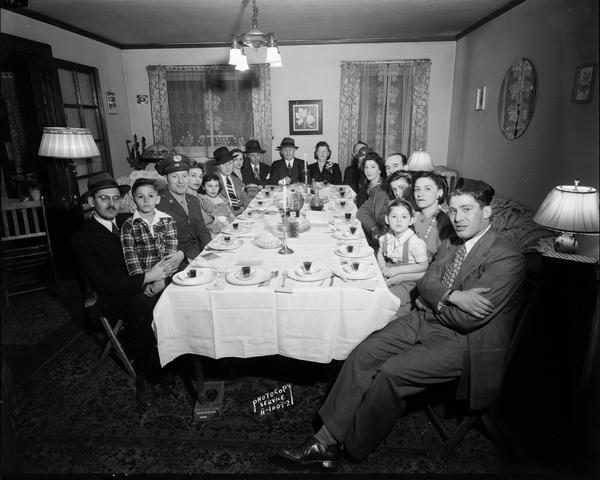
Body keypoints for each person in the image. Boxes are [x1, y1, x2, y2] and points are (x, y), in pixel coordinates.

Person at [276, 179, 526, 467]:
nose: (458, 218)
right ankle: (325, 439)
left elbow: (467, 320)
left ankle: (348, 447)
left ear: (487, 212)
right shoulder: (452, 240)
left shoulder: (507, 258)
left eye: (467, 210)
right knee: (365, 352)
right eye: (454, 211)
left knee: (391, 372)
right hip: (426, 318)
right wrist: (451, 296)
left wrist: (431, 300)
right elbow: (427, 279)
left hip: (465, 344)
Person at [71, 172, 179, 408]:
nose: (111, 204)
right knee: (147, 305)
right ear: (91, 202)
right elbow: (102, 284)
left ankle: (177, 358)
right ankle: (148, 374)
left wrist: (175, 258)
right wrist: (148, 278)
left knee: (179, 294)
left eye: (115, 198)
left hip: (145, 281)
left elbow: (161, 242)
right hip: (111, 296)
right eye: (103, 198)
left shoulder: (127, 221)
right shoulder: (83, 237)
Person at [120, 178, 184, 297]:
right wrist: (144, 282)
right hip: (145, 279)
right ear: (133, 200)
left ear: (158, 198)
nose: (146, 200)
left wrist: (161, 280)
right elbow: (131, 259)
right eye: (140, 197)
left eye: (150, 196)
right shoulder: (128, 226)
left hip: (169, 274)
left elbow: (170, 252)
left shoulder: (167, 220)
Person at [156, 152, 212, 265]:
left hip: (199, 255)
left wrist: (211, 253)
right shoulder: (159, 204)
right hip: (178, 262)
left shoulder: (193, 200)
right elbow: (161, 245)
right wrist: (187, 257)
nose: (181, 181)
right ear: (166, 179)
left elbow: (202, 231)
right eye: (175, 176)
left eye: (184, 176)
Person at [377, 198, 428, 314]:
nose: (398, 220)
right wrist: (382, 267)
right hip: (390, 275)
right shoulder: (387, 237)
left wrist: (397, 270)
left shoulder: (415, 243)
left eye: (404, 217)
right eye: (394, 217)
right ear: (387, 219)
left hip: (409, 282)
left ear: (411, 220)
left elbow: (424, 266)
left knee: (384, 299)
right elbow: (380, 253)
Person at [357, 170, 414, 246]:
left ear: (410, 186)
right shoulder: (380, 193)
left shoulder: (415, 205)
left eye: (401, 187)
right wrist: (374, 228)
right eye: (394, 189)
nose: (397, 193)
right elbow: (361, 212)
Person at [412, 171, 456, 261]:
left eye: (427, 189)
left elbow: (442, 264)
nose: (420, 194)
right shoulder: (410, 215)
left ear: (439, 193)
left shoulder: (446, 223)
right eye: (417, 189)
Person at [198, 173, 236, 237]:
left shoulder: (221, 198)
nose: (213, 189)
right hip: (216, 231)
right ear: (203, 187)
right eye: (210, 186)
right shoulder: (203, 200)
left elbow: (231, 214)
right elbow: (208, 222)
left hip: (229, 227)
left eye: (216, 186)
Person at [213, 146, 250, 213]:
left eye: (230, 163)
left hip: (242, 213)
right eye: (223, 164)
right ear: (217, 166)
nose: (227, 167)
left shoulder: (236, 180)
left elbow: (245, 200)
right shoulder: (213, 181)